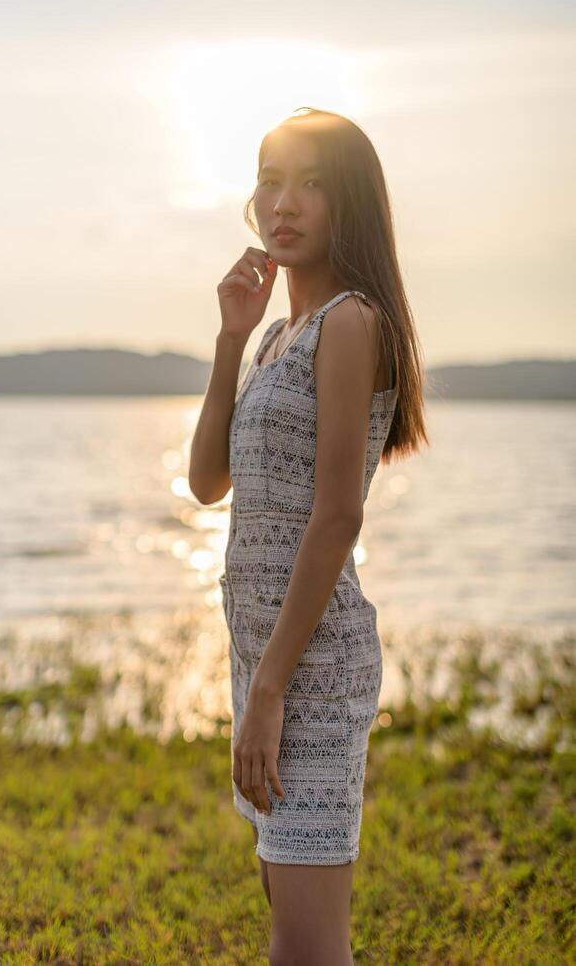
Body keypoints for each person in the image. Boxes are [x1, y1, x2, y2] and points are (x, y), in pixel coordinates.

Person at [189, 107, 428, 965]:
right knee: (291, 915)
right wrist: (229, 337)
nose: (282, 203)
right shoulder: (276, 341)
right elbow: (207, 482)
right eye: (269, 180)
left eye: (310, 184)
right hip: (263, 658)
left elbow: (337, 518)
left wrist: (270, 695)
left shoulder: (351, 324)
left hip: (309, 670)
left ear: (349, 202)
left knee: (306, 941)